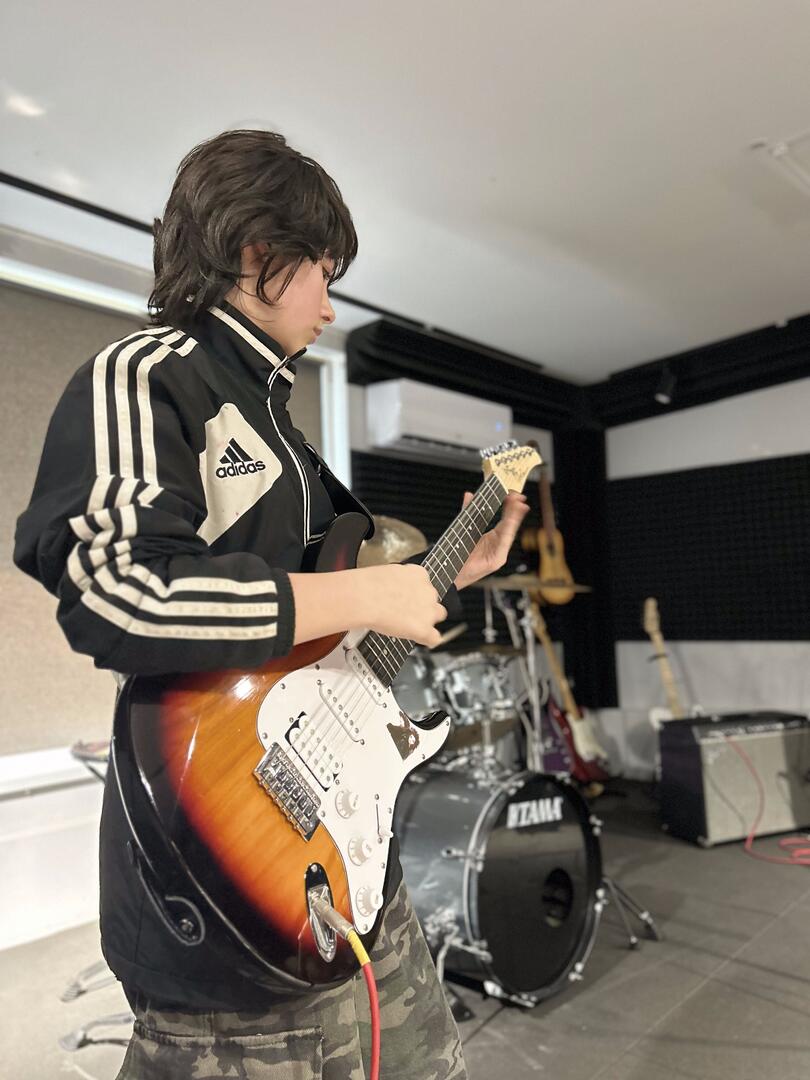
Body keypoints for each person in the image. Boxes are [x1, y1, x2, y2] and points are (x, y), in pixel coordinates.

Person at [14, 129, 529, 1079]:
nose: (331, 304)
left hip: (355, 874)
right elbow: (115, 588)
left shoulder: (282, 429)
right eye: (322, 273)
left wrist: (450, 572)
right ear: (259, 255)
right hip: (227, 899)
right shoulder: (149, 373)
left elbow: (325, 627)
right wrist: (368, 586)